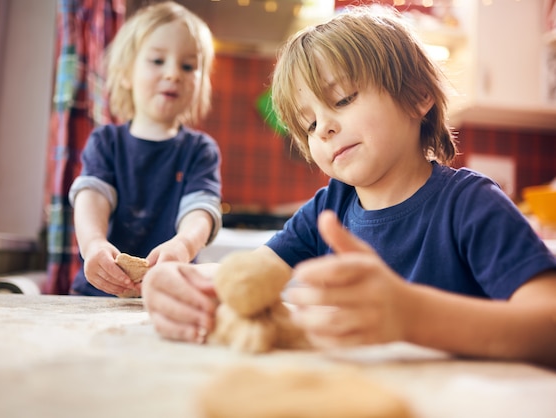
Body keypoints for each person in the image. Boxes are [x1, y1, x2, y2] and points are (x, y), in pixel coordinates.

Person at [142, 5, 556, 368]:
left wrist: (412, 316)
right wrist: (185, 282)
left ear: (418, 96)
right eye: (308, 125)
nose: (323, 128)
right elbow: (252, 275)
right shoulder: (328, 210)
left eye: (341, 100)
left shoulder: (471, 205)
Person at [68, 1, 222, 297]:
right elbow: (92, 197)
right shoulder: (105, 142)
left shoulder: (200, 150)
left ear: (201, 83)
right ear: (126, 73)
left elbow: (200, 210)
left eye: (188, 66)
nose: (173, 74)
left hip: (169, 295)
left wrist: (183, 246)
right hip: (97, 294)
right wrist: (93, 244)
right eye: (157, 60)